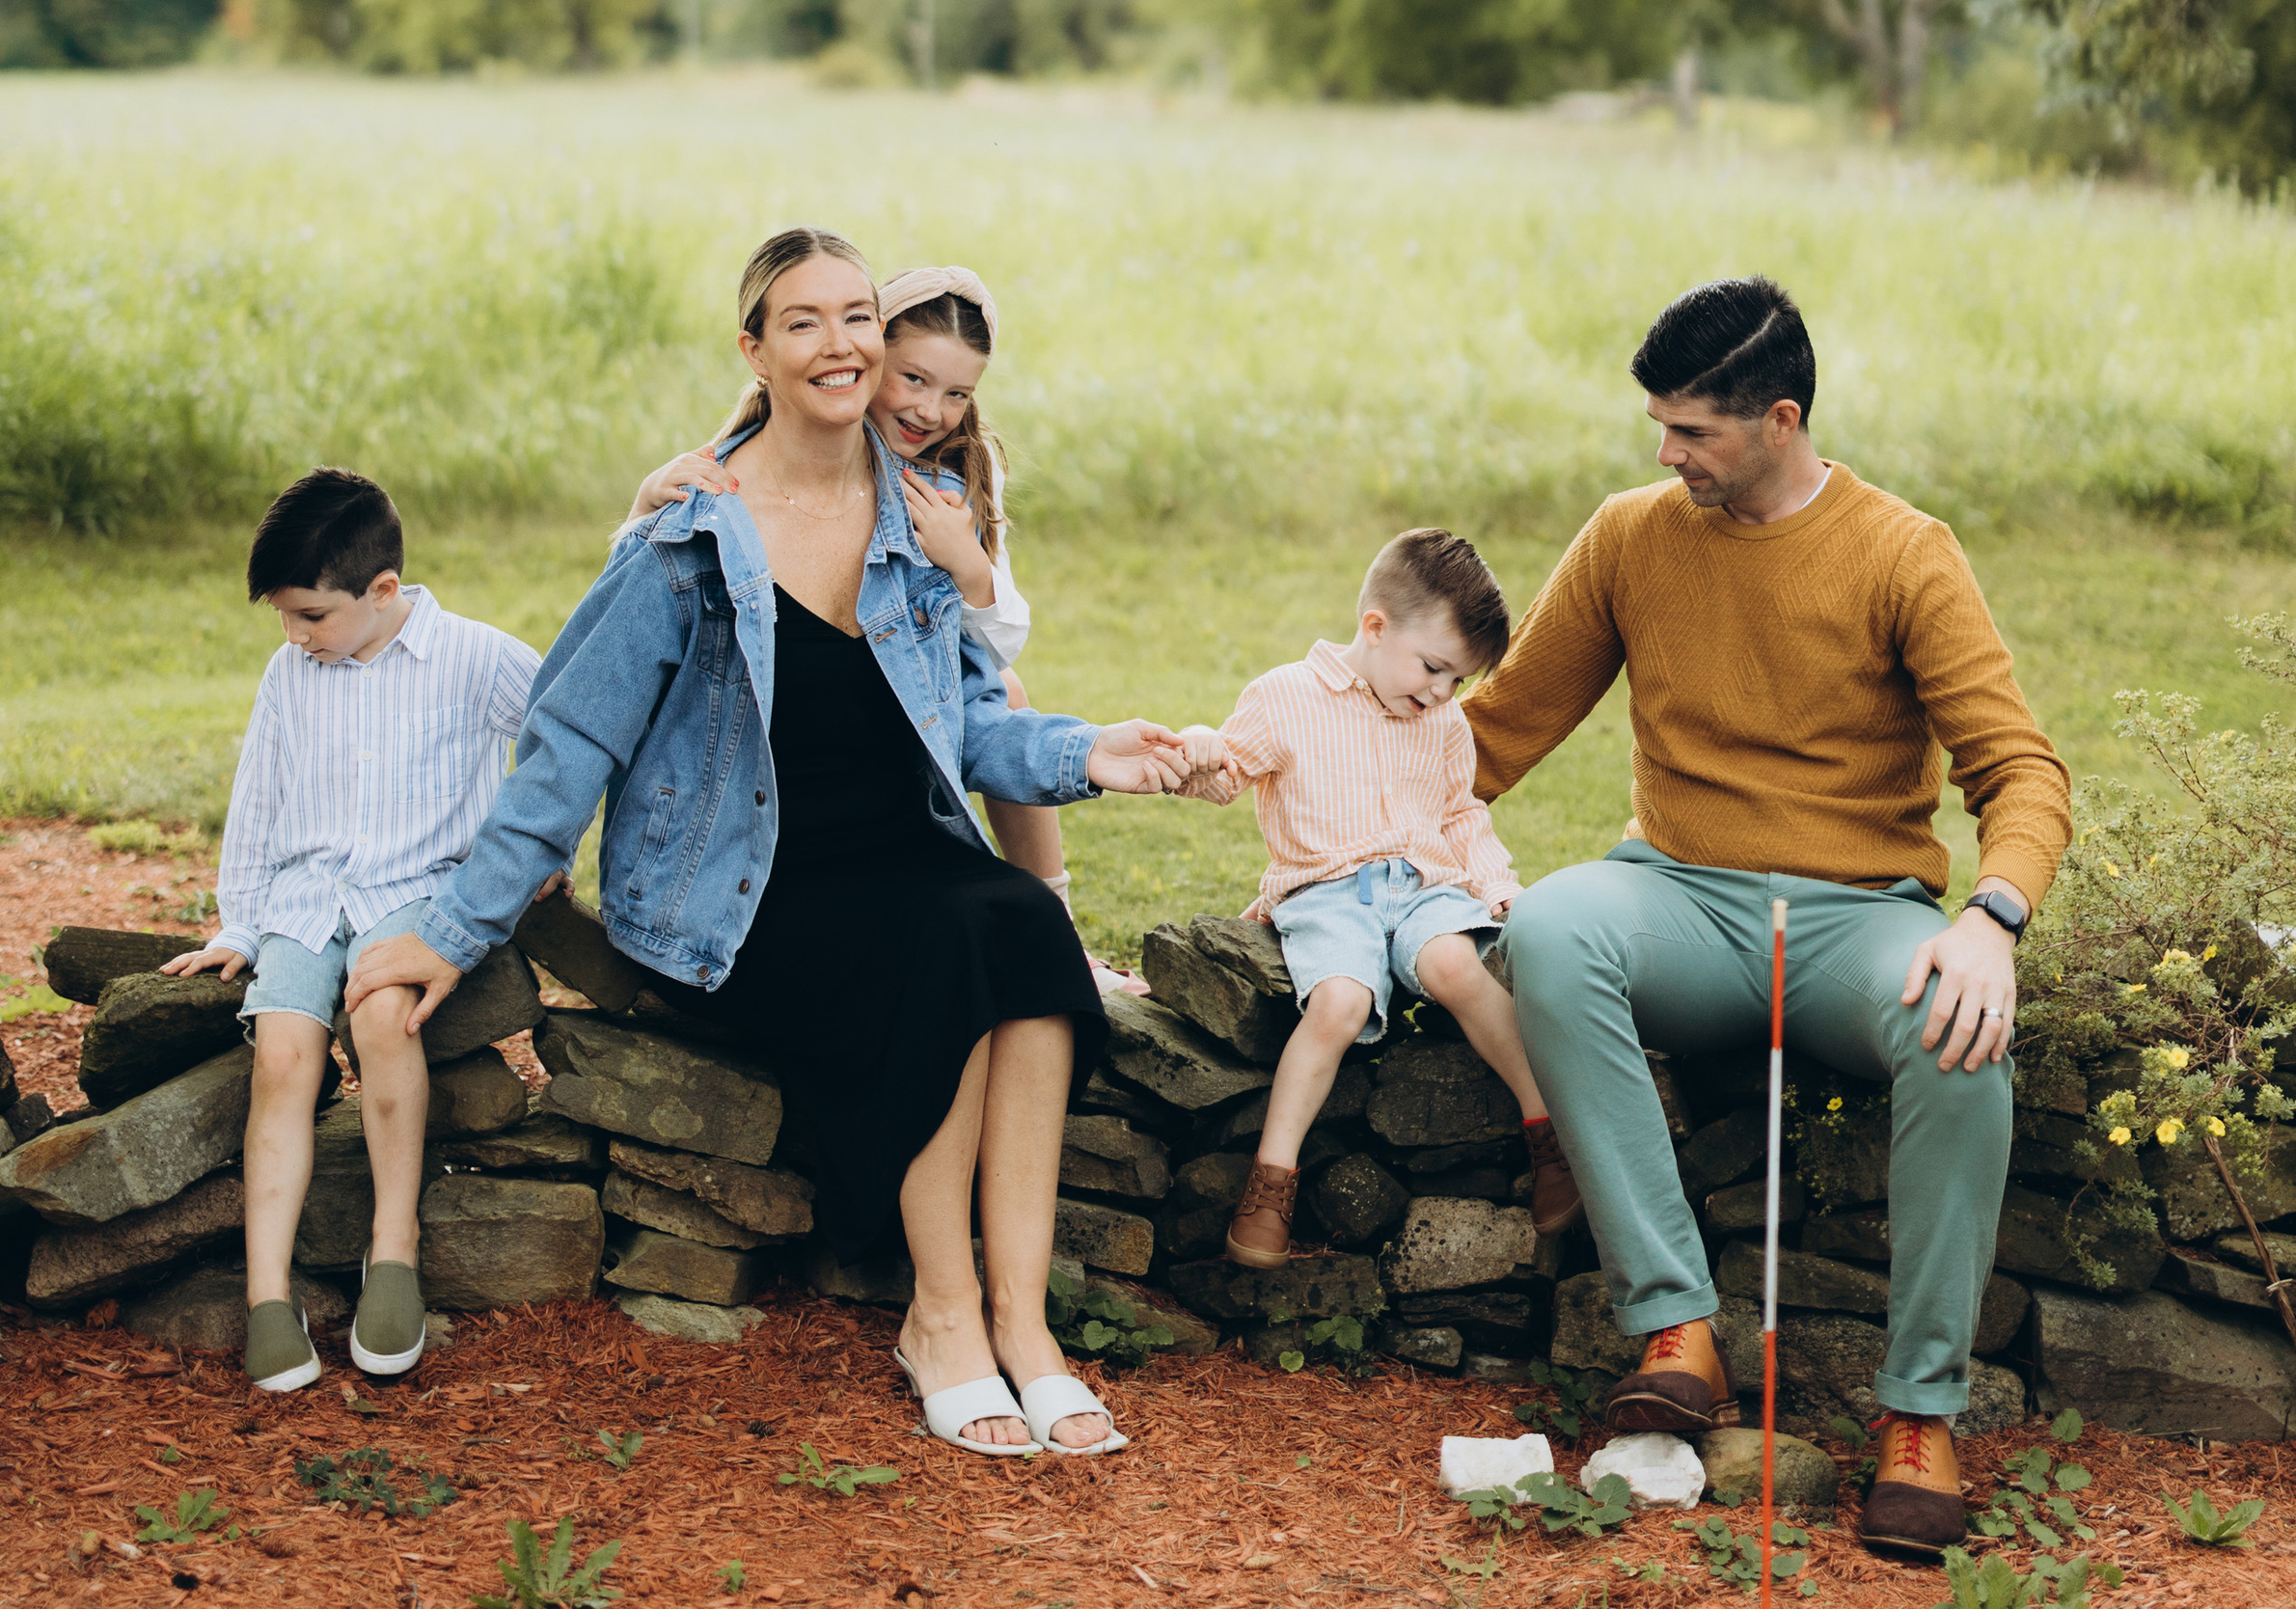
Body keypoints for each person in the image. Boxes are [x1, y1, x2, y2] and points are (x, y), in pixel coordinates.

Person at [345, 226, 1190, 1460]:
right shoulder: (688, 536)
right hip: (742, 893)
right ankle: (940, 1317)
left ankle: (1027, 1326)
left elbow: (972, 729)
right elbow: (568, 744)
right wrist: (453, 928)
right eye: (805, 320)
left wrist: (1092, 753)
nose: (840, 342)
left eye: (857, 315)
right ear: (755, 348)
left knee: (1012, 921)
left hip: (899, 857)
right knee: (951, 936)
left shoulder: (913, 519)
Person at [1471, 276, 2072, 1563]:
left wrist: (1992, 919)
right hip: (1677, 895)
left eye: (1691, 431)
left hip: (1862, 920)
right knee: (1557, 925)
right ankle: (1676, 1330)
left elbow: (2021, 773)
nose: (1664, 453)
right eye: (1660, 426)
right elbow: (1497, 730)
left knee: (1962, 1032)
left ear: (1779, 420)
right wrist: (1338, 829)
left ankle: (1921, 1420)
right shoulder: (1631, 535)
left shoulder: (1904, 550)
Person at [627, 261, 1145, 985]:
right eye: (913, 380)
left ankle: (1052, 915)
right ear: (868, 364)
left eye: (958, 393)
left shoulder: (960, 473)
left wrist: (969, 567)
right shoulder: (758, 452)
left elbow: (993, 644)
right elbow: (642, 594)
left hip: (924, 688)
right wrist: (646, 498)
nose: (932, 410)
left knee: (1006, 693)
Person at [163, 465, 540, 1396]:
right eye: (285, 619)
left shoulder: (478, 656)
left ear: (381, 592)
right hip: (304, 898)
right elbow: (259, 800)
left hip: (417, 892)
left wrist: (530, 858)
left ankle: (393, 1253)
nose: (295, 636)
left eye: (312, 617)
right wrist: (242, 925)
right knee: (284, 1055)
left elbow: (565, 741)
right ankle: (266, 1295)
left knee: (381, 1019)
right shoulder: (290, 674)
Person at [1170, 529, 1582, 1264]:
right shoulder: (1285, 697)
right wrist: (1200, 741)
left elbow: (1460, 815)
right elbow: (1225, 773)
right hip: (1328, 891)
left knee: (1459, 969)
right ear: (1374, 627)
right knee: (1339, 1002)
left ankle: (1547, 1136)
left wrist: (1499, 890)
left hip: (1424, 886)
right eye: (1432, 668)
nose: (1440, 693)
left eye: (1457, 680)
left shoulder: (1443, 722)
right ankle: (1272, 1180)